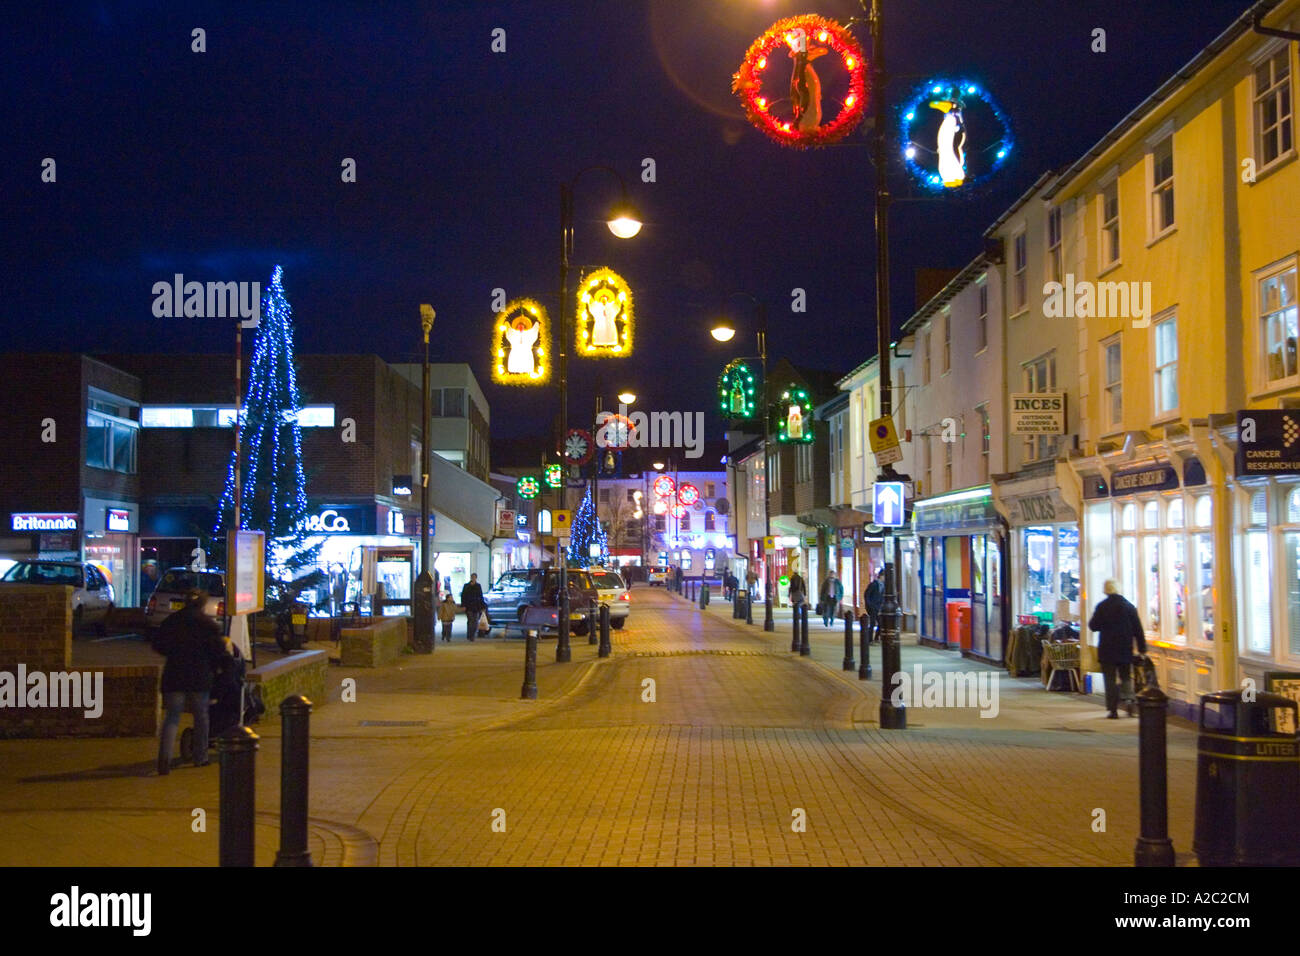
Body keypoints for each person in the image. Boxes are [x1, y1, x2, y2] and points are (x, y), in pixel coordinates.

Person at [152, 589, 231, 775]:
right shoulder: (208, 625)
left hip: (174, 674)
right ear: (202, 604)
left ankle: (164, 759)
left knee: (172, 717)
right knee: (201, 716)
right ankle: (200, 757)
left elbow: (158, 644)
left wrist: (174, 653)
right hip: (199, 676)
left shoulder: (171, 622)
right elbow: (218, 651)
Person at [1088, 579, 1148, 718]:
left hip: (1107, 649)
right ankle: (1129, 701)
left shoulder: (1102, 606)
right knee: (1126, 676)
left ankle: (1113, 709)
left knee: (1109, 679)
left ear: (1106, 590)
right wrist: (1142, 648)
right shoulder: (1129, 606)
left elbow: (1093, 626)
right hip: (1125, 648)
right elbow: (1138, 629)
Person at [460, 573, 485, 642]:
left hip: (476, 606)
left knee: (475, 621)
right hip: (469, 606)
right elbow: (463, 596)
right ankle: (470, 635)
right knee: (471, 621)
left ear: (476, 578)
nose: (473, 578)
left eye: (474, 577)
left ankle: (472, 634)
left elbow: (480, 596)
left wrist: (482, 606)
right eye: (472, 577)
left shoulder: (478, 586)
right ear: (471, 578)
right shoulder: (466, 586)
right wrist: (463, 605)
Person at [864, 568, 884, 643]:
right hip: (873, 607)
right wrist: (869, 604)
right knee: (872, 623)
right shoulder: (874, 584)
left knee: (880, 623)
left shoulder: (884, 585)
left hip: (879, 607)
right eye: (884, 576)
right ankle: (869, 639)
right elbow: (867, 594)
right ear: (881, 576)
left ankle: (876, 637)